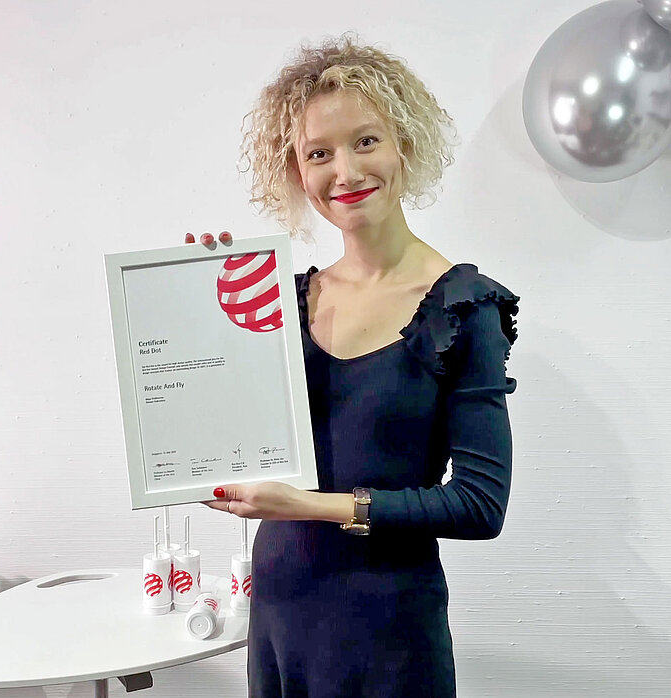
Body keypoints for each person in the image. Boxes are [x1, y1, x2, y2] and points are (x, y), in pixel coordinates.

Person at [197, 34, 519, 697]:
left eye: (365, 141)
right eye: (319, 153)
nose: (344, 172)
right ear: (296, 171)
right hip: (282, 615)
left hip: (389, 631)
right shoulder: (281, 307)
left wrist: (308, 506)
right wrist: (193, 290)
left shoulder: (462, 308)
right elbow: (216, 436)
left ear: (405, 145)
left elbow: (479, 505)